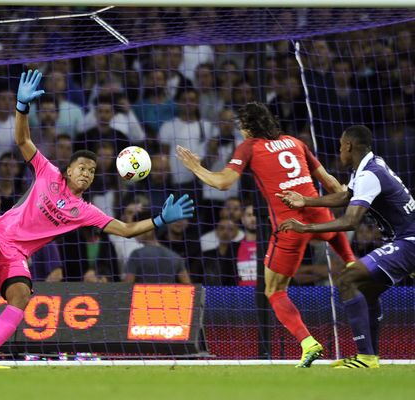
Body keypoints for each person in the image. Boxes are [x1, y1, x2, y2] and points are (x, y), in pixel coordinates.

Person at [0, 70, 194, 369]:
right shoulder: (47, 172)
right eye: (81, 167)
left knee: (21, 297)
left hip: (18, 254)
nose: (87, 173)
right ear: (68, 169)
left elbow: (127, 230)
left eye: (91, 171)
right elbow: (22, 138)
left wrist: (159, 220)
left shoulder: (85, 210)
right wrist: (22, 107)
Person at [176, 101, 356, 368]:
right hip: (317, 211)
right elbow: (329, 181)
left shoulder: (249, 147)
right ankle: (352, 261)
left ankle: (308, 342)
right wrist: (348, 196)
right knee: (329, 227)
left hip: (289, 225)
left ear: (248, 127)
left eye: (242, 127)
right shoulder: (295, 142)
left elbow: (223, 183)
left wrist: (196, 168)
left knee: (274, 290)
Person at [278, 125, 415, 369]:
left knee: (347, 279)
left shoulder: (369, 175)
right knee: (367, 291)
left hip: (408, 242)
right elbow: (345, 197)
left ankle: (364, 356)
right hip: (404, 241)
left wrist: (305, 228)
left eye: (341, 145)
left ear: (349, 146)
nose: (339, 150)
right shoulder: (370, 166)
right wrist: (306, 200)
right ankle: (370, 358)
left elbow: (351, 221)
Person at [124, 210, 191, 284]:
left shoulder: (136, 254)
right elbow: (189, 287)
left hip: (143, 295)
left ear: (149, 230)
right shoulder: (175, 257)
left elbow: (126, 287)